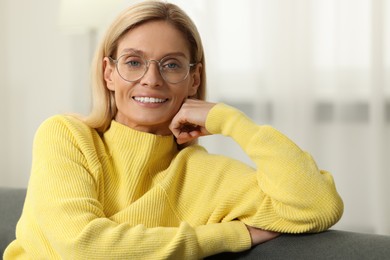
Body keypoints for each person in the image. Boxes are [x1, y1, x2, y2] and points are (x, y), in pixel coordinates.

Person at [4, 1, 343, 259]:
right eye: (134, 61)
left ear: (193, 80)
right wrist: (229, 236)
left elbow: (317, 205)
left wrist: (232, 122)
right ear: (108, 73)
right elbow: (81, 247)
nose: (151, 79)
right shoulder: (66, 135)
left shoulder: (204, 173)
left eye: (171, 65)